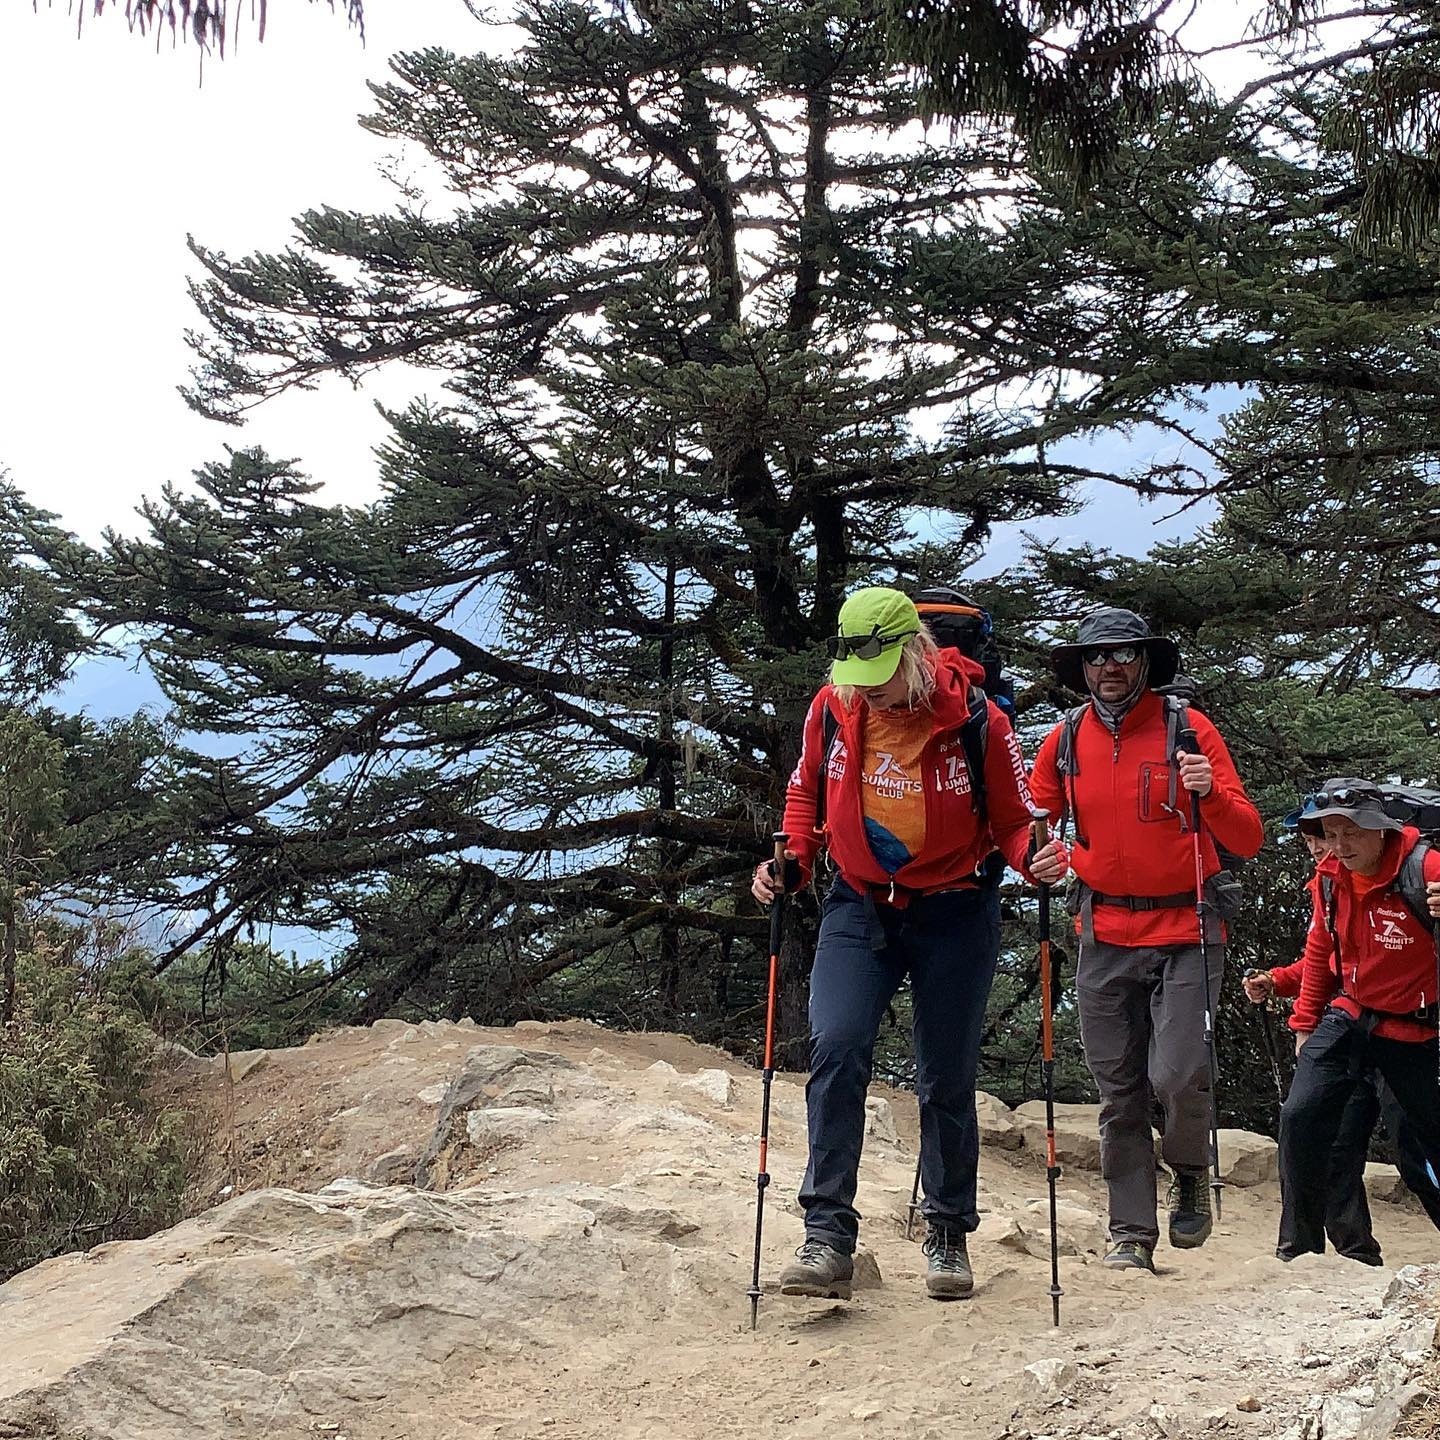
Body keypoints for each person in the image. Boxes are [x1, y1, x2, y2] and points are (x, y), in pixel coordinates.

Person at [752, 586, 1068, 1302]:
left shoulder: (979, 720)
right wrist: (789, 862)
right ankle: (827, 1235)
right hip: (859, 902)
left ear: (916, 654)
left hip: (957, 908)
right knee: (836, 1046)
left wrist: (1037, 860)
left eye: (881, 675)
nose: (869, 690)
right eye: (857, 676)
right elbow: (805, 795)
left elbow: (1014, 819)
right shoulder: (833, 707)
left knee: (945, 1074)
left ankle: (949, 1233)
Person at [1028, 608, 1263, 1273]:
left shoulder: (1189, 730)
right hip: (1102, 931)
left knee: (1179, 1074)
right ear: (1082, 668)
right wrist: (1036, 857)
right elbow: (1034, 822)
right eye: (1096, 657)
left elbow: (1247, 836)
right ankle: (1130, 1233)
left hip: (1189, 926)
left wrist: (1210, 794)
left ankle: (1189, 1170)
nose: (1109, 667)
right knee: (1119, 1091)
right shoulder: (1064, 739)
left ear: (1144, 662)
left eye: (1122, 654)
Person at [1244, 817, 1440, 1261]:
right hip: (1352, 1020)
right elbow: (1324, 955)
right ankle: (1324, 1251)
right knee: (1315, 1126)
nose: (1331, 846)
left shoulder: (1422, 869)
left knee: (1417, 1150)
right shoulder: (1330, 881)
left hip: (1412, 1030)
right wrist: (1296, 1009)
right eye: (1322, 837)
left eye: (1343, 835)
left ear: (1381, 831)